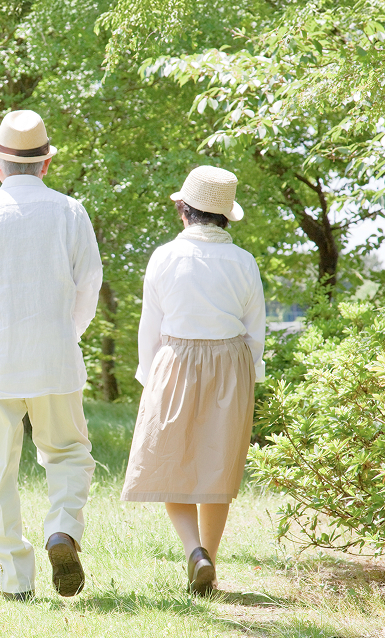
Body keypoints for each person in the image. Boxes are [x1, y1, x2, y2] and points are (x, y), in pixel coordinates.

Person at [0, 109, 102, 601]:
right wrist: (64, 334)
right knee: (69, 454)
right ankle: (62, 530)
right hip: (55, 359)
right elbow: (89, 286)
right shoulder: (71, 212)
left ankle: (14, 579)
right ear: (46, 165)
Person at [120, 165, 265, 595]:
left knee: (171, 462)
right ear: (224, 217)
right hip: (230, 363)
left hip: (175, 359)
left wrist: (149, 377)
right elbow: (255, 329)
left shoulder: (164, 256)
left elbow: (151, 325)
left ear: (183, 211)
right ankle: (211, 563)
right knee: (215, 467)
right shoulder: (244, 261)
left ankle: (193, 551)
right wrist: (248, 378)